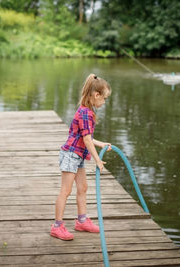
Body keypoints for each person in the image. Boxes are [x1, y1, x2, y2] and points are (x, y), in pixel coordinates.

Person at [50, 74, 112, 241]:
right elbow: (85, 139)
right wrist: (98, 160)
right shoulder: (85, 113)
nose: (104, 102)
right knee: (66, 190)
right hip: (71, 155)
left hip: (78, 155)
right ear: (96, 95)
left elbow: (87, 138)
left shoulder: (87, 111)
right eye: (104, 98)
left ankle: (82, 221)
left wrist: (101, 144)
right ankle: (57, 226)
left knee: (83, 187)